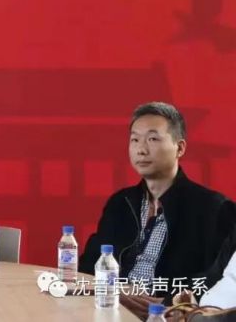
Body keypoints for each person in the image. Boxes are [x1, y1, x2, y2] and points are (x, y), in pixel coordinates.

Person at [78, 102, 236, 318]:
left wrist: (171, 302)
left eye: (153, 139)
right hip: (109, 306)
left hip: (168, 314)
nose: (141, 150)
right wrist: (110, 292)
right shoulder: (120, 203)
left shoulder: (214, 209)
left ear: (180, 148)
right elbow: (90, 265)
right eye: (135, 140)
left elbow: (218, 278)